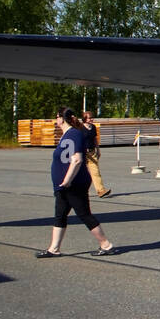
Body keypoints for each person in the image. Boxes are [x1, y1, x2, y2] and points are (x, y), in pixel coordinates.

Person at [37, 107, 118, 258]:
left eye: (57, 117)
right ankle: (54, 249)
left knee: (84, 214)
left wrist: (67, 181)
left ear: (62, 118)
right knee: (60, 215)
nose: (56, 120)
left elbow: (77, 159)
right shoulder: (68, 135)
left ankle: (106, 245)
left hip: (73, 184)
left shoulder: (73, 134)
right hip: (65, 186)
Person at [80, 111, 111, 198]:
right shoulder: (80, 128)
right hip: (83, 154)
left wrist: (98, 149)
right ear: (85, 119)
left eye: (92, 117)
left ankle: (101, 191)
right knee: (83, 174)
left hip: (92, 153)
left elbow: (94, 139)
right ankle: (80, 191)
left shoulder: (93, 127)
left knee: (96, 172)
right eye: (89, 118)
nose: (91, 119)